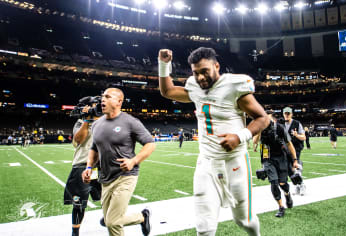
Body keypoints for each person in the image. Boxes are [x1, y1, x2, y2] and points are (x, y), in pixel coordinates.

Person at [158, 47, 269, 236]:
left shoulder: (234, 86)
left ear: (216, 66)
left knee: (244, 221)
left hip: (235, 161)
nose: (200, 77)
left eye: (204, 71)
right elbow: (168, 91)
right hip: (207, 162)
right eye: (196, 73)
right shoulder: (194, 86)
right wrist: (163, 64)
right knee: (204, 227)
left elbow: (263, 118)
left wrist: (239, 136)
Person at [81, 88, 155, 236]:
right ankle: (142, 217)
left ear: (119, 102)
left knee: (112, 221)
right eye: (102, 97)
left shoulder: (130, 122)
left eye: (108, 97)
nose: (103, 100)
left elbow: (150, 144)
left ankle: (141, 217)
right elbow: (94, 149)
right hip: (105, 178)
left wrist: (134, 161)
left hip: (126, 176)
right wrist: (89, 167)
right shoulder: (96, 125)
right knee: (111, 223)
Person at [64, 105, 102, 236]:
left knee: (108, 198)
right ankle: (75, 231)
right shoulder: (80, 122)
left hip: (102, 166)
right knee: (79, 203)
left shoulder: (106, 122)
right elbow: (78, 140)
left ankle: (111, 217)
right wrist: (86, 120)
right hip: (82, 165)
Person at [255, 113, 298, 217]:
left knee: (282, 184)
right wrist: (259, 131)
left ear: (273, 120)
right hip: (268, 159)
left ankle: (287, 195)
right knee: (274, 183)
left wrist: (295, 160)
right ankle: (281, 207)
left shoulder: (280, 128)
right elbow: (255, 140)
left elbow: (289, 144)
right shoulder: (261, 128)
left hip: (281, 158)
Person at [283, 107, 307, 196]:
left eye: (288, 113)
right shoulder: (281, 123)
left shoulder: (297, 123)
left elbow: (304, 137)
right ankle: (297, 185)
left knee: (294, 167)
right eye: (285, 113)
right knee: (289, 170)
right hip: (285, 149)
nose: (287, 115)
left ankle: (301, 185)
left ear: (291, 114)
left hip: (296, 148)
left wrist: (297, 135)